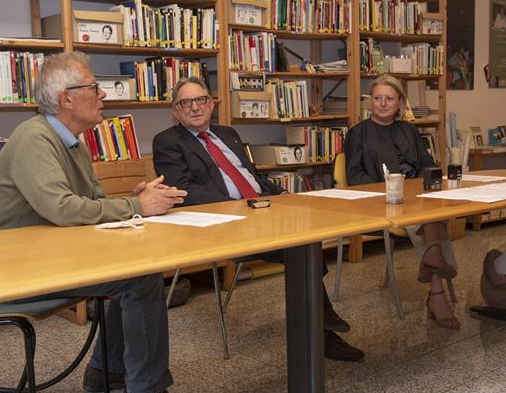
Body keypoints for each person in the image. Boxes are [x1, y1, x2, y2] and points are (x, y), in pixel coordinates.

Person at [0, 52, 199, 393]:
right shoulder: (35, 139)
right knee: (143, 277)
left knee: (134, 269)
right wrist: (135, 206)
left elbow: (92, 203)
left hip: (49, 255)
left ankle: (108, 370)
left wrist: (135, 198)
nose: (103, 96)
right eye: (94, 88)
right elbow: (64, 209)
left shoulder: (70, 141)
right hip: (17, 270)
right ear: (66, 98)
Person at [152, 76, 365, 361]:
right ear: (175, 112)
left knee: (307, 237)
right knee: (299, 248)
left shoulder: (227, 134)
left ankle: (319, 325)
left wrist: (287, 197)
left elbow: (254, 177)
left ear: (211, 104)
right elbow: (183, 190)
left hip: (261, 211)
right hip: (220, 224)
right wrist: (238, 207)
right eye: (185, 103)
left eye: (200, 99)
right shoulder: (167, 141)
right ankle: (321, 331)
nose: (194, 107)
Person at [343, 74, 461, 330]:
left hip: (415, 196)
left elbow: (427, 163)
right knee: (426, 217)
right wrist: (390, 189)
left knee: (430, 208)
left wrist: (427, 183)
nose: (382, 104)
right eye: (377, 98)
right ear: (370, 101)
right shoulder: (357, 134)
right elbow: (354, 177)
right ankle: (436, 287)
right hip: (380, 199)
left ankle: (432, 260)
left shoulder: (408, 129)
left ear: (400, 103)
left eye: (389, 98)